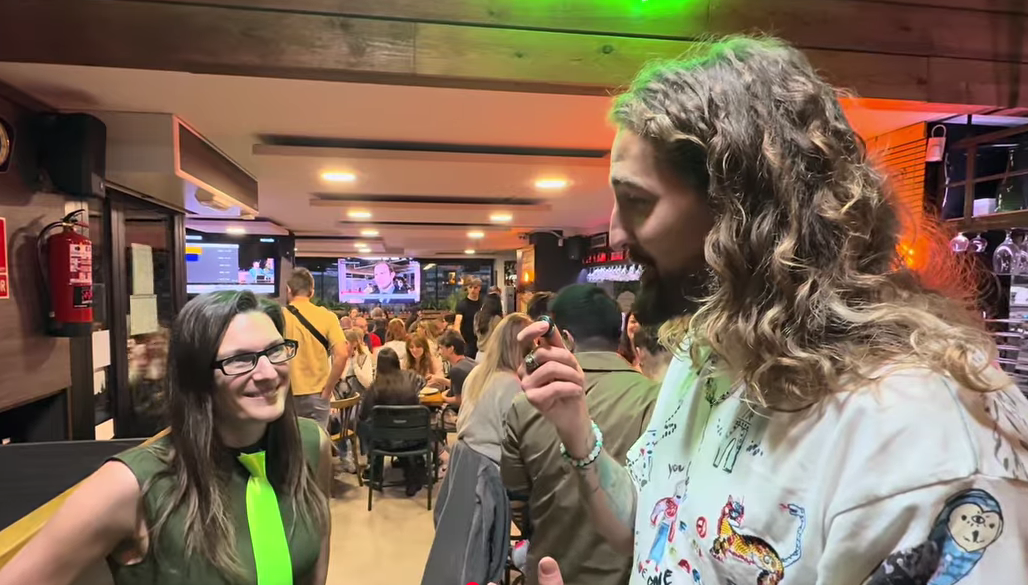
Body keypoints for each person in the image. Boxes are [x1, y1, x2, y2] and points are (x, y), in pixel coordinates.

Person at [516, 35, 1028, 585]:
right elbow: (654, 526)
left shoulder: (923, 439)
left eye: (637, 201)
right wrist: (577, 430)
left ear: (742, 212)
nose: (616, 234)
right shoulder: (706, 353)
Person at [0, 291, 331, 585]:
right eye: (241, 360)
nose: (269, 373)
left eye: (275, 351)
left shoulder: (310, 445)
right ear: (197, 375)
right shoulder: (131, 484)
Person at [502, 285, 659, 585]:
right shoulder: (656, 399)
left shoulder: (526, 404)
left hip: (549, 568)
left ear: (565, 338)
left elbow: (518, 500)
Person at [457, 313, 532, 464]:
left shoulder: (475, 373)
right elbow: (524, 443)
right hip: (494, 468)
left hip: (464, 463)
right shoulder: (513, 384)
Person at [283, 268, 348, 429]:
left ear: (288, 290)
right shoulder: (327, 317)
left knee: (289, 442)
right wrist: (328, 389)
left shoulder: (279, 317)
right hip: (318, 394)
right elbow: (342, 355)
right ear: (312, 291)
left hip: (286, 394)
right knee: (318, 441)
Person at [358, 347, 426, 497]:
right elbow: (424, 382)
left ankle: (375, 470)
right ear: (397, 362)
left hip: (384, 442)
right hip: (413, 438)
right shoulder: (411, 377)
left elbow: (363, 415)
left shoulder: (374, 388)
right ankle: (413, 475)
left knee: (365, 426)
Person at [429, 329, 476, 410]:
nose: (439, 352)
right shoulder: (470, 362)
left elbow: (460, 400)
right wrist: (441, 380)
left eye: (441, 348)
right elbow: (463, 386)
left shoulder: (456, 370)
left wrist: (442, 398)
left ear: (451, 349)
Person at [454, 277, 484, 359]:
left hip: (482, 341)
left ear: (479, 288)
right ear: (467, 288)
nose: (472, 290)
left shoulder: (484, 303)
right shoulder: (462, 305)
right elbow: (457, 325)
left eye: (475, 287)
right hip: (467, 342)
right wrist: (461, 341)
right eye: (470, 287)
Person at [473, 292, 504, 361]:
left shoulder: (477, 316)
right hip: (492, 355)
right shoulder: (496, 319)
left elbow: (475, 333)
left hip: (479, 355)